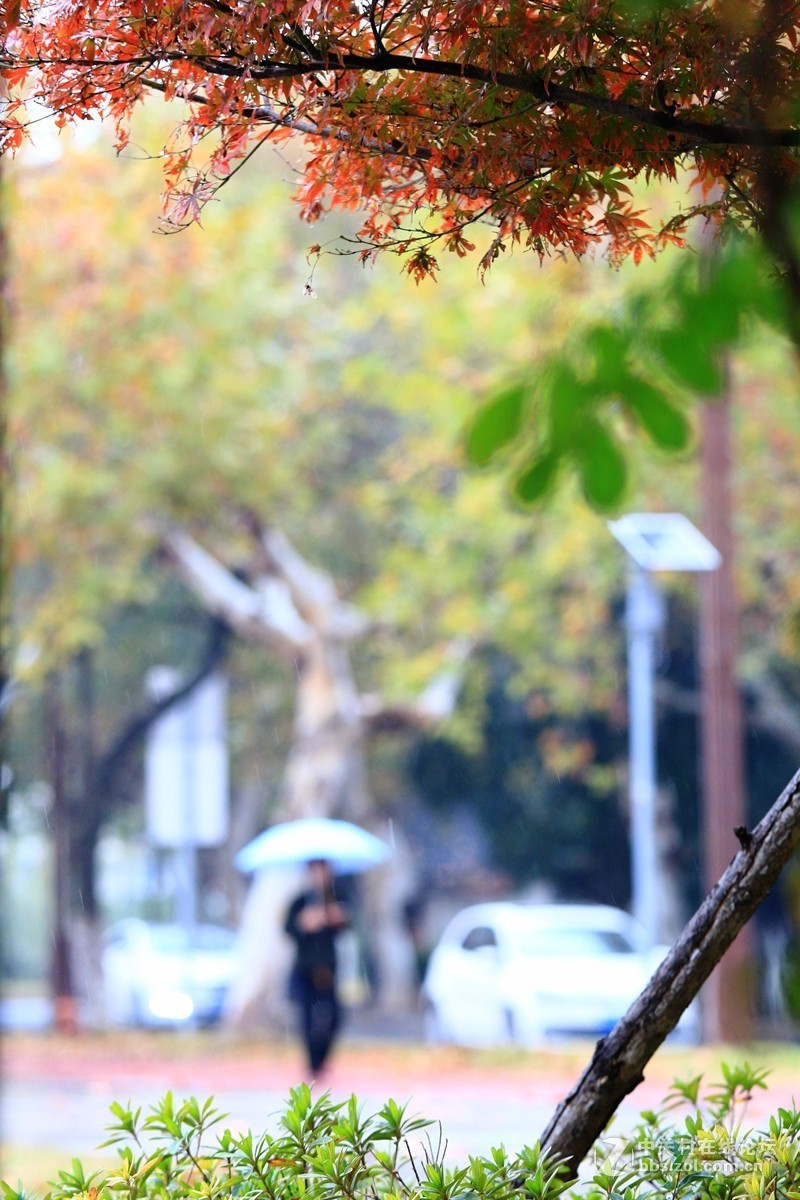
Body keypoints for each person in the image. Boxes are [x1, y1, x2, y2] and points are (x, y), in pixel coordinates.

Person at [284, 858, 349, 1077]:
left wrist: (336, 919)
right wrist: (304, 923)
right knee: (307, 1019)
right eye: (315, 870)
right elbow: (288, 929)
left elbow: (348, 925)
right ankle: (312, 1065)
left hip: (328, 970)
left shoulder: (337, 897)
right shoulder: (300, 900)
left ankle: (322, 1059)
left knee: (335, 1017)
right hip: (305, 969)